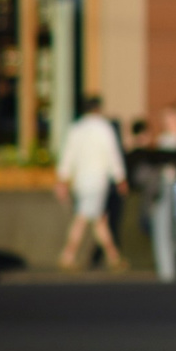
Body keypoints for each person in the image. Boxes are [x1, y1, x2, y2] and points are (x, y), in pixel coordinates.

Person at [54, 94, 127, 271]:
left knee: (96, 218)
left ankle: (113, 256)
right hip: (98, 181)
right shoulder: (104, 128)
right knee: (85, 217)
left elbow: (67, 156)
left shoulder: (76, 129)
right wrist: (120, 178)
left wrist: (63, 179)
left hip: (80, 181)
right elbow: (112, 155)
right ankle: (68, 254)